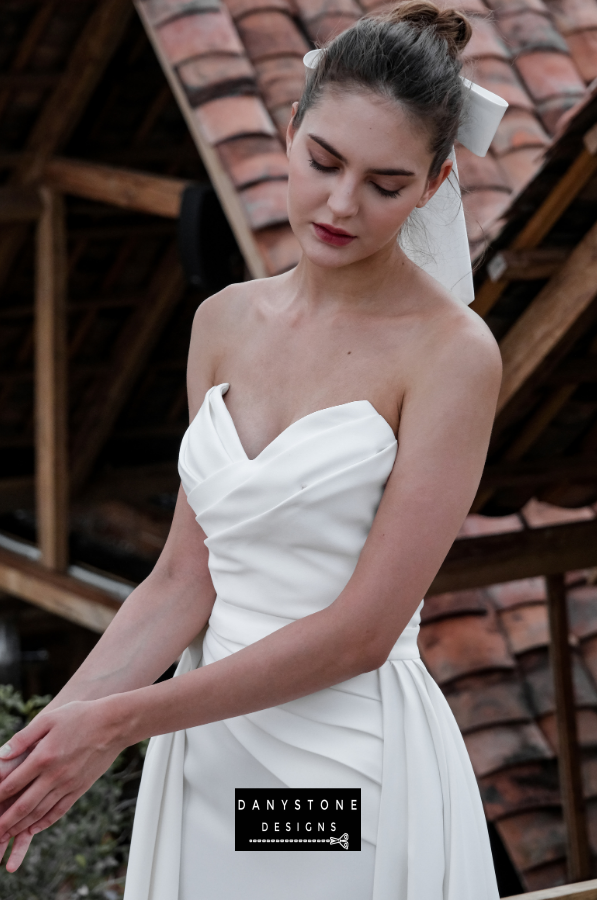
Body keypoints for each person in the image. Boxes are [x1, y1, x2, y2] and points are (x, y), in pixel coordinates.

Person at [0, 2, 504, 897]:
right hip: (202, 748)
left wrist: (116, 724)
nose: (342, 204)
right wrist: (39, 753)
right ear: (289, 131)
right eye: (322, 162)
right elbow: (182, 579)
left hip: (342, 767)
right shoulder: (220, 321)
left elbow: (362, 632)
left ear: (433, 184)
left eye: (385, 184)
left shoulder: (452, 356)